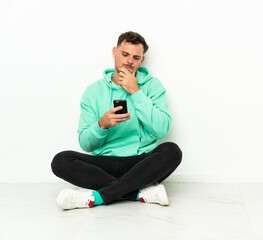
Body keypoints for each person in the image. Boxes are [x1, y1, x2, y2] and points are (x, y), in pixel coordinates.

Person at [51, 31, 182, 210]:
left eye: (136, 57)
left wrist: (136, 92)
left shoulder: (153, 86)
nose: (129, 61)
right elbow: (85, 143)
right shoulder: (93, 91)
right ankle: (137, 193)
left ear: (141, 60)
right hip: (104, 164)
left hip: (141, 163)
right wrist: (101, 125)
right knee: (61, 161)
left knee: (172, 151)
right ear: (114, 52)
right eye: (125, 54)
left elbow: (162, 130)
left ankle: (96, 198)